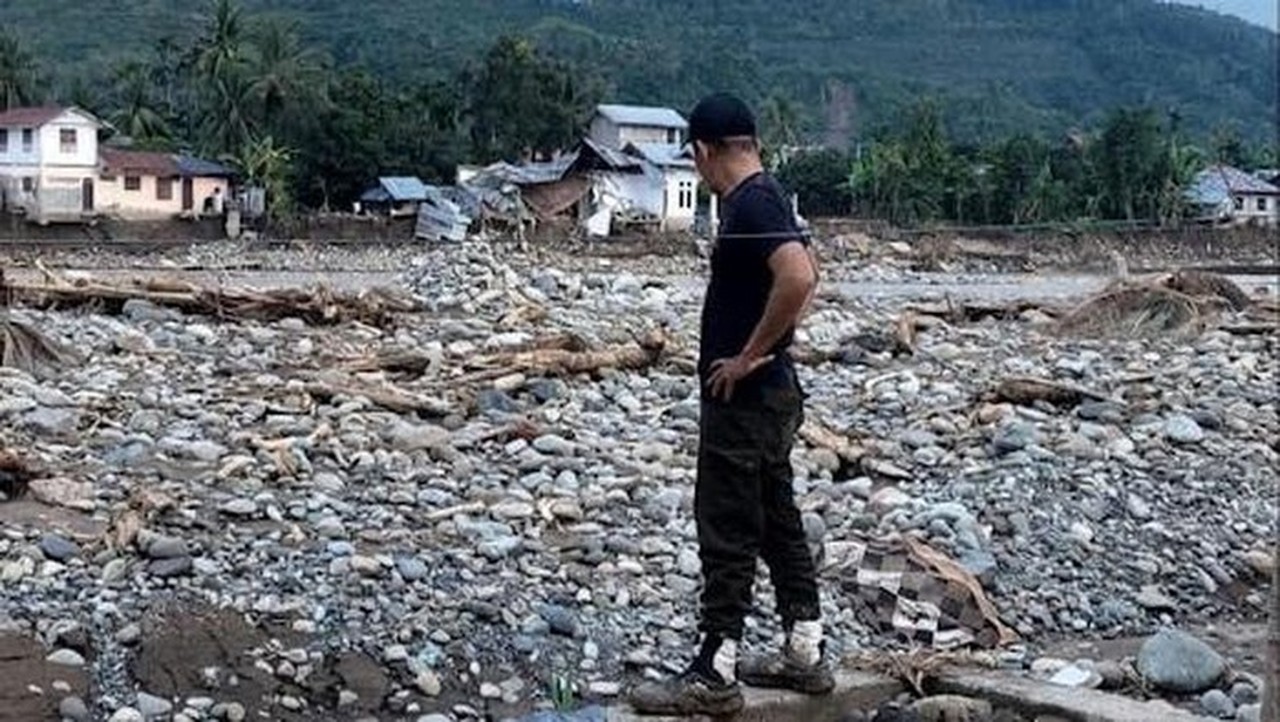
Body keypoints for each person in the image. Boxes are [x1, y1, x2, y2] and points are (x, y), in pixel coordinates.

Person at [629, 93, 832, 716]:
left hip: (745, 399)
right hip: (771, 393)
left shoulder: (749, 202)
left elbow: (799, 275)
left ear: (702, 152)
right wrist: (775, 341)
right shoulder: (769, 196)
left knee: (726, 524)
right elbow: (808, 269)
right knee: (775, 516)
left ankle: (715, 668)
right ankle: (804, 650)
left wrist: (748, 354)